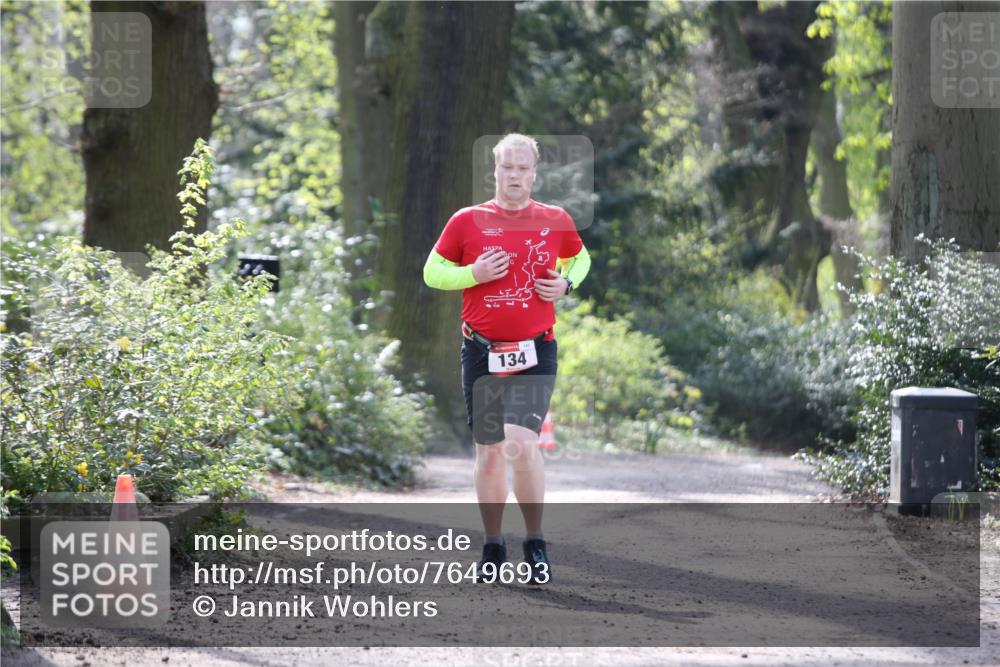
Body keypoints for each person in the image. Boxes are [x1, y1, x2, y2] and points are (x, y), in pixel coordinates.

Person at [423, 133, 591, 584]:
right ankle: (493, 545)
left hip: (536, 349)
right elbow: (432, 272)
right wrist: (472, 273)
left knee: (520, 440)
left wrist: (567, 284)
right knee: (490, 452)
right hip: (481, 351)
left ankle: (535, 542)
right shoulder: (467, 221)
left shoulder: (554, 219)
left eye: (522, 168)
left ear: (534, 174)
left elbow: (580, 259)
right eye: (506, 167)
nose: (514, 175)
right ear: (494, 170)